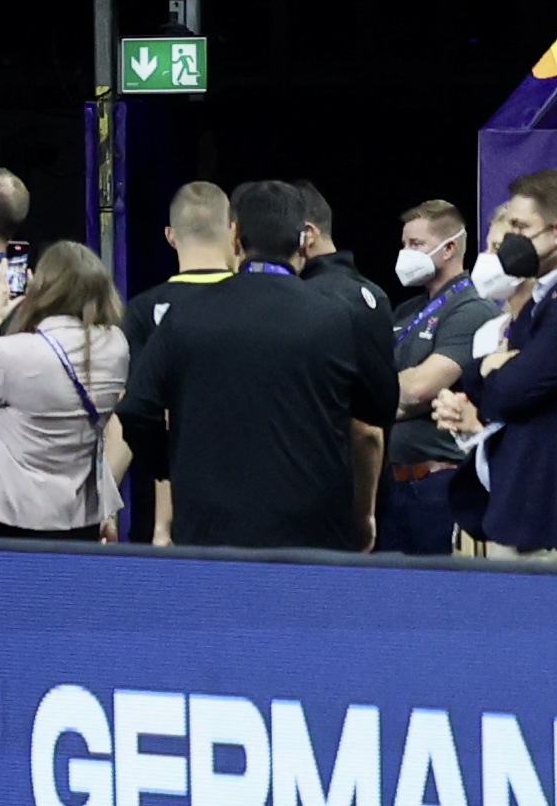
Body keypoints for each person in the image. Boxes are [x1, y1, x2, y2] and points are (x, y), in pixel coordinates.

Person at [129, 177, 394, 552]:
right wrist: (362, 512)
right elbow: (375, 416)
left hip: (208, 529)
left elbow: (136, 409)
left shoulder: (184, 317)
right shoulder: (338, 319)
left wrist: (169, 467)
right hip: (313, 531)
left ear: (234, 237)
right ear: (303, 239)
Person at [449, 170, 557, 561]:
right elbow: (483, 382)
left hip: (555, 524)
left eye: (521, 226)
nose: (512, 239)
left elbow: (509, 393)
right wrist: (488, 369)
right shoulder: (550, 295)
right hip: (522, 514)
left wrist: (490, 372)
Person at [0, 239, 127, 542]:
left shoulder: (10, 353)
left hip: (8, 519)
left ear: (43, 288)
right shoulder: (116, 346)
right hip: (78, 520)